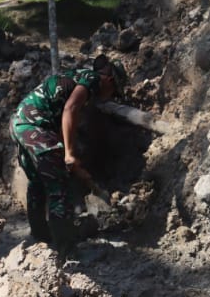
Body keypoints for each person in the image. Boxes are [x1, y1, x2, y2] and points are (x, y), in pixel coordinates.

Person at [10, 54, 126, 254]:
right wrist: (70, 154)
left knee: (37, 182)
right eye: (114, 92)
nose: (110, 97)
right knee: (59, 187)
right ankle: (67, 250)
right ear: (109, 80)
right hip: (35, 125)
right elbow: (70, 109)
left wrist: (68, 158)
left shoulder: (73, 77)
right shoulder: (92, 78)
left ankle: (41, 237)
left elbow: (61, 125)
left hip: (20, 124)